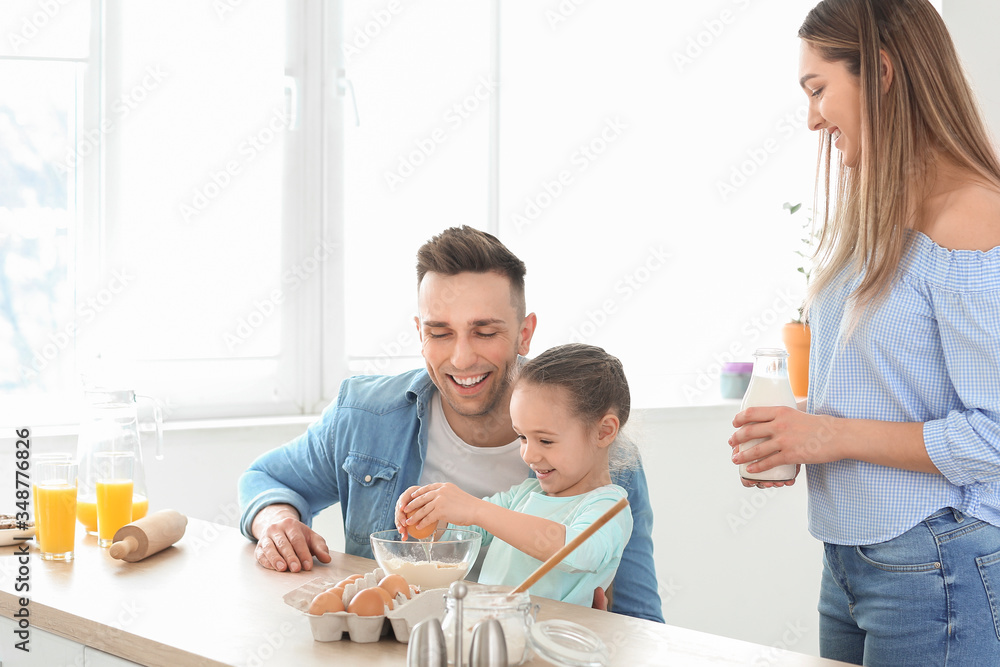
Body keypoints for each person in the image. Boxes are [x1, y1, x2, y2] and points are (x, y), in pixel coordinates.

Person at [728, 0, 1000, 663]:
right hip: (852, 562)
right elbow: (886, 392)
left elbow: (994, 433)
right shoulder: (872, 216)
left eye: (819, 89)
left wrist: (828, 435)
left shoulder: (972, 217)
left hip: (936, 557)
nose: (812, 117)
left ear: (879, 72)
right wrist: (797, 435)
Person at [238, 225, 664, 623]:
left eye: (484, 332)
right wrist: (276, 521)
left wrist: (594, 632)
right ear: (419, 331)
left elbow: (641, 619)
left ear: (524, 333)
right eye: (440, 332)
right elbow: (267, 478)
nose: (461, 359)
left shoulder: (594, 441)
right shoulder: (366, 414)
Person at [397, 343, 635, 607]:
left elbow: (576, 551)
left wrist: (476, 509)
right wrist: (431, 514)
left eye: (545, 441)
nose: (529, 455)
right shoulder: (524, 494)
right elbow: (468, 531)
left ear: (603, 432)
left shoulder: (610, 507)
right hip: (494, 630)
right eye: (522, 437)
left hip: (547, 640)